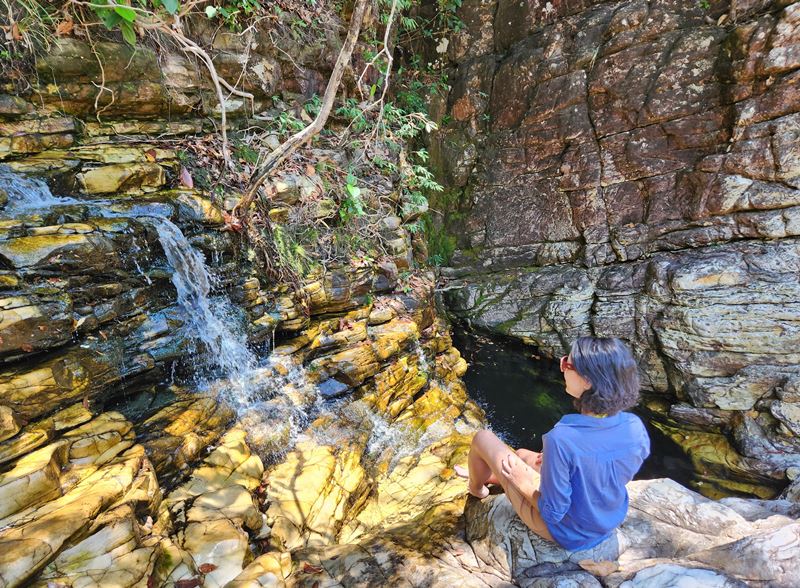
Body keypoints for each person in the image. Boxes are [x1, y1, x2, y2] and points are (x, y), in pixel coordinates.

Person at [455, 336, 650, 551]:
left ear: (587, 381)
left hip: (568, 532)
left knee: (482, 438)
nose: (563, 367)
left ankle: (477, 488)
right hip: (607, 518)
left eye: (568, 363)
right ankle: (491, 475)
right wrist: (555, 462)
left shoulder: (562, 439)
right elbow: (613, 472)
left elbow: (552, 511)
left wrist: (524, 483)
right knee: (520, 454)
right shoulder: (634, 425)